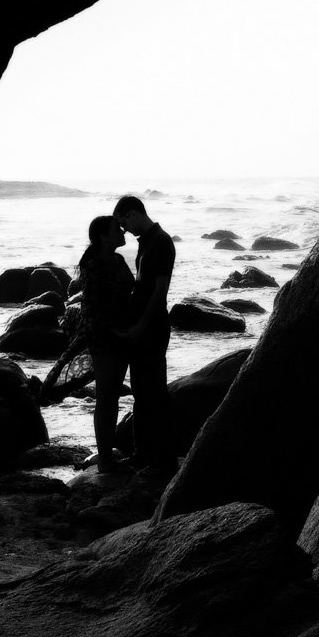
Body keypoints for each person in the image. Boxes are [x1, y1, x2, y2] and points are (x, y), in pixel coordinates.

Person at [112, 195, 178, 477]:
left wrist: (141, 325)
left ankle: (162, 459)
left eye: (124, 222)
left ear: (134, 213)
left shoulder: (161, 242)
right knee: (142, 390)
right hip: (144, 326)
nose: (124, 229)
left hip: (152, 327)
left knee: (153, 392)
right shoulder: (147, 242)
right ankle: (144, 453)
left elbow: (159, 291)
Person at [76, 213, 135, 473]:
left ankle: (108, 453)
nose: (122, 231)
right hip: (104, 336)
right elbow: (94, 307)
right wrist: (116, 330)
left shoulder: (118, 259)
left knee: (112, 394)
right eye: (117, 229)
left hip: (123, 333)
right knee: (106, 396)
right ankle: (105, 459)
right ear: (103, 236)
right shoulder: (93, 265)